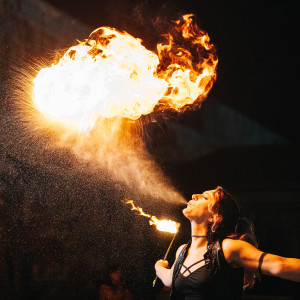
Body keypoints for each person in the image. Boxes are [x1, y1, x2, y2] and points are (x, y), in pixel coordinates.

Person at [154, 186, 300, 300]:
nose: (194, 196)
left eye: (204, 197)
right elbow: (169, 279)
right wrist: (158, 267)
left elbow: (281, 265)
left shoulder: (228, 248)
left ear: (215, 217)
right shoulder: (182, 251)